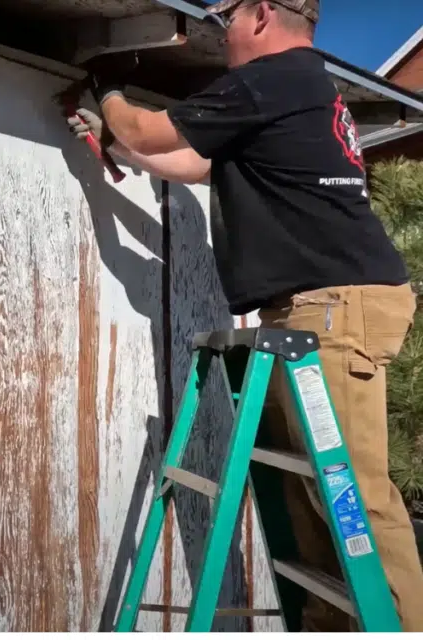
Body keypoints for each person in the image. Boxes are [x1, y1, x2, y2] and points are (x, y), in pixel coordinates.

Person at [66, 0, 423, 632]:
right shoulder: (297, 88)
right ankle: (331, 623)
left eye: (225, 13)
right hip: (327, 303)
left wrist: (108, 90)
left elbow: (153, 132)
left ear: (262, 13)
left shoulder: (273, 77)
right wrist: (115, 138)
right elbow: (192, 162)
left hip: (338, 304)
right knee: (316, 485)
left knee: (353, 496)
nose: (219, 28)